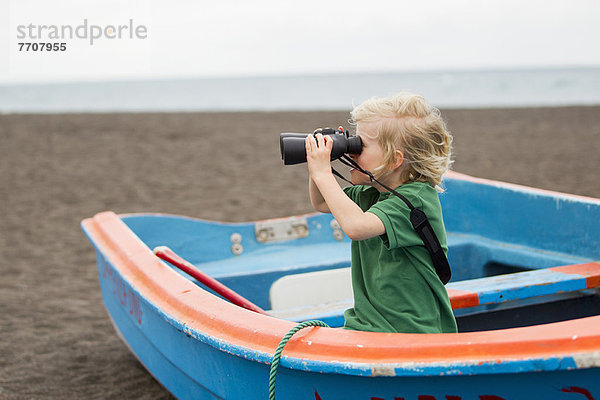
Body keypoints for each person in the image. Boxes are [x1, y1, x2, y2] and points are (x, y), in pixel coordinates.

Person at [305, 92, 457, 334]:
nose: (352, 152)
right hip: (371, 327)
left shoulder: (414, 199)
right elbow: (323, 202)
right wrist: (321, 165)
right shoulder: (372, 192)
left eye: (360, 145)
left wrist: (324, 173)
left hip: (413, 332)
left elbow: (355, 227)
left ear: (394, 159)